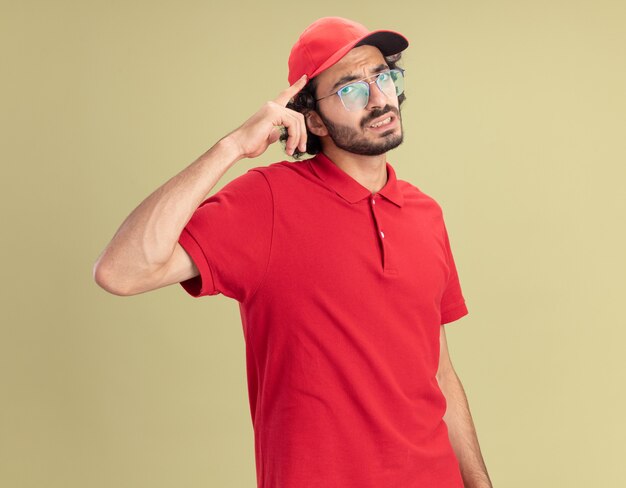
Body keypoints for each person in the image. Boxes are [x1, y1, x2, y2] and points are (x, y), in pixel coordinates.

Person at [93, 16, 492, 488]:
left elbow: (440, 373)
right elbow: (122, 271)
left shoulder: (427, 214)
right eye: (351, 90)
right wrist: (233, 146)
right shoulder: (265, 201)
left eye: (383, 77)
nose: (380, 99)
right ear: (314, 118)